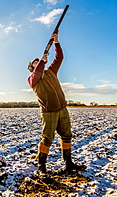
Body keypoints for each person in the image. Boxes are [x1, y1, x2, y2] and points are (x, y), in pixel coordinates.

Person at [27, 30, 85, 175]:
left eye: (38, 61)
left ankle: (68, 164)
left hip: (62, 109)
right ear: (32, 68)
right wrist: (42, 61)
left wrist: (56, 42)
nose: (38, 62)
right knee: (47, 138)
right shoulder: (32, 79)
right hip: (49, 112)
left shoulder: (51, 71)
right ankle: (41, 167)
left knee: (67, 136)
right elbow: (38, 72)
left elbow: (60, 58)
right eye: (35, 62)